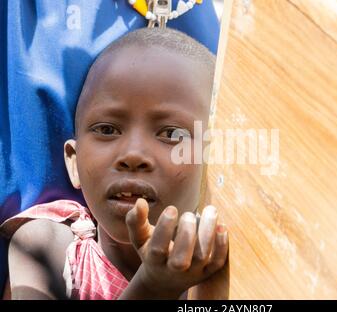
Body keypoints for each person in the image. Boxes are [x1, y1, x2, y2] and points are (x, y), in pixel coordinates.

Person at [0, 0, 220, 296]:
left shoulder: (217, 265)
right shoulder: (45, 246)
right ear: (73, 161)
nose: (133, 155)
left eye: (171, 133)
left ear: (213, 160)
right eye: (107, 130)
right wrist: (151, 288)